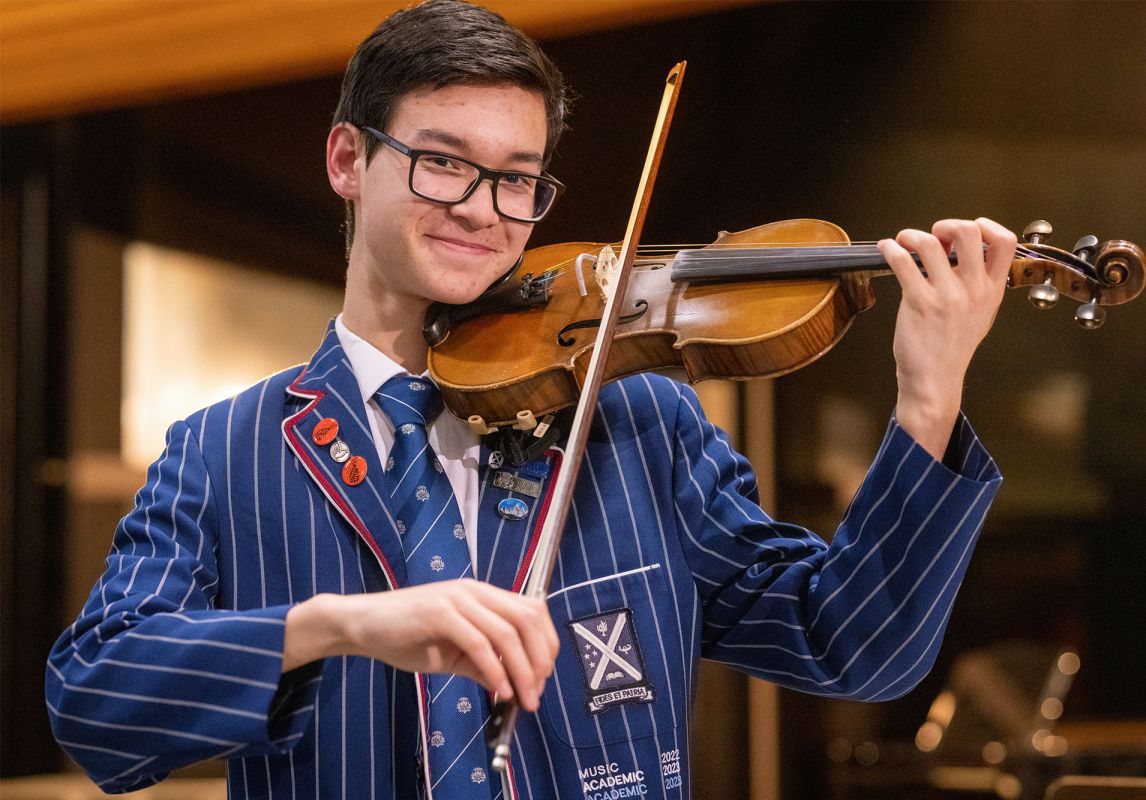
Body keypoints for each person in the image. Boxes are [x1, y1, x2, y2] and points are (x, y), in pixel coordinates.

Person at [46, 1, 1012, 798]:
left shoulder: (639, 421)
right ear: (347, 160)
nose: (482, 210)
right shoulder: (224, 450)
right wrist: (335, 626)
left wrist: (927, 400)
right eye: (442, 162)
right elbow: (94, 707)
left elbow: (852, 645)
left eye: (517, 180)